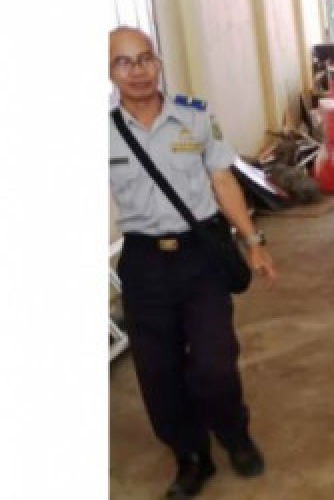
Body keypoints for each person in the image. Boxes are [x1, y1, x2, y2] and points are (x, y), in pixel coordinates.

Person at [109, 27, 278, 498]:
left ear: (158, 62)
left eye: (145, 58)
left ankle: (234, 434)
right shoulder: (99, 128)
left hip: (199, 255)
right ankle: (191, 456)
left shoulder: (193, 116)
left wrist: (253, 240)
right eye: (124, 62)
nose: (137, 70)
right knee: (157, 371)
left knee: (214, 363)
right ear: (109, 71)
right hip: (143, 261)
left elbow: (223, 180)